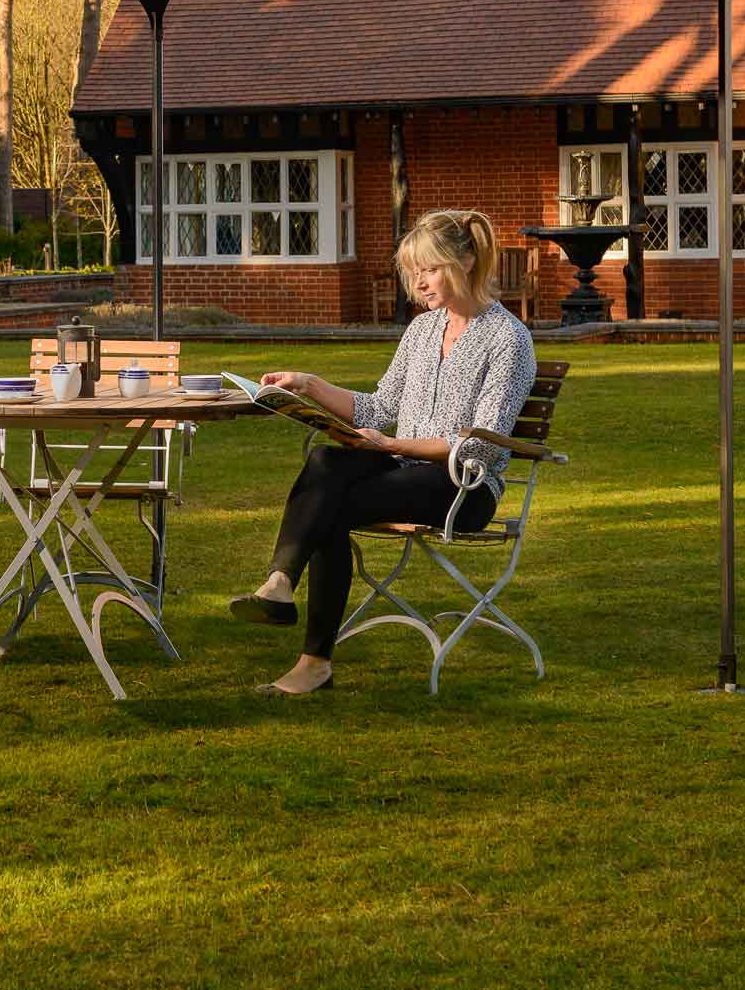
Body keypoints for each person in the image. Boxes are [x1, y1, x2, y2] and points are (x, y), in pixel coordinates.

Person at [227, 208, 536, 696]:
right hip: (401, 469)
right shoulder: (422, 331)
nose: (419, 281)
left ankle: (313, 661)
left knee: (331, 504)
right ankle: (280, 584)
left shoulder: (508, 338)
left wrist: (390, 443)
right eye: (415, 271)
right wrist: (307, 384)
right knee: (326, 461)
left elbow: (477, 444)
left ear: (466, 262)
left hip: (463, 486)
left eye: (429, 268)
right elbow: (380, 405)